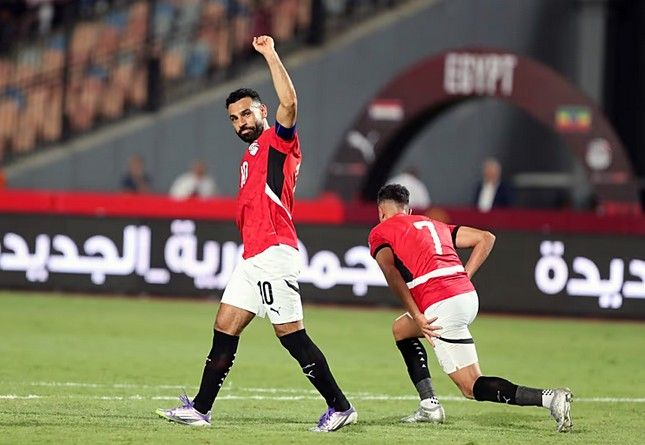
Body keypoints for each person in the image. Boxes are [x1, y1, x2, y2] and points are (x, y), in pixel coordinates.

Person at [156, 35, 357, 432]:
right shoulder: (250, 154)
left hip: (274, 252)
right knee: (224, 327)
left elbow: (290, 103)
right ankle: (200, 408)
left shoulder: (277, 142)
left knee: (291, 335)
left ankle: (340, 407)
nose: (241, 122)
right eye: (234, 118)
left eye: (246, 113)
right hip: (253, 256)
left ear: (262, 111)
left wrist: (270, 54)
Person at [368, 183, 573, 432]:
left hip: (441, 304)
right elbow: (486, 238)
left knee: (471, 386)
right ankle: (429, 405)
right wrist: (465, 276)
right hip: (466, 296)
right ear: (408, 210)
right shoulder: (433, 224)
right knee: (401, 329)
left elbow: (391, 274)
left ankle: (550, 399)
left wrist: (418, 314)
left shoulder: (380, 231)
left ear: (381, 211)